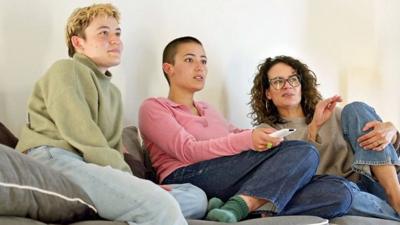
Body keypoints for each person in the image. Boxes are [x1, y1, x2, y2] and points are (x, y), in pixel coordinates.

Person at [16, 4, 205, 225]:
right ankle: (140, 205)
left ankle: (121, 206)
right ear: (79, 42)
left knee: (196, 198)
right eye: (104, 33)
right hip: (54, 157)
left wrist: (134, 185)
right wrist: (133, 184)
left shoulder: (113, 93)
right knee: (161, 204)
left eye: (117, 33)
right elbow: (82, 134)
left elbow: (112, 146)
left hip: (90, 166)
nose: (115, 40)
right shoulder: (66, 70)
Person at [139, 36, 354, 223]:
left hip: (225, 177)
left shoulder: (207, 109)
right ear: (169, 68)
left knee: (338, 192)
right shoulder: (154, 107)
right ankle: (242, 206)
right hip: (186, 177)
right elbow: (188, 151)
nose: (200, 67)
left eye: (203, 61)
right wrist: (249, 140)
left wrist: (265, 137)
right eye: (190, 60)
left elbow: (234, 134)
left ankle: (235, 206)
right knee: (304, 151)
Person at [249, 55, 400, 221]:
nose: (287, 86)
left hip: (377, 181)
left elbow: (386, 148)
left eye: (293, 79)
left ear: (301, 85)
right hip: (341, 193)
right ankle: (392, 212)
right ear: (268, 93)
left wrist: (392, 132)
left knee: (356, 108)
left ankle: (395, 196)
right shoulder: (268, 132)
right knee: (340, 194)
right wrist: (313, 129)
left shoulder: (333, 113)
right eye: (278, 81)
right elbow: (293, 174)